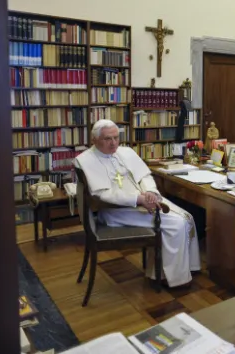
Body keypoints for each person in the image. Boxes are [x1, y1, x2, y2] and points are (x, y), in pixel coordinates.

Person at [74, 119, 201, 287]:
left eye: (116, 137)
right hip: (116, 211)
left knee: (187, 217)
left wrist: (150, 193)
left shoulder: (126, 152)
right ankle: (174, 279)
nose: (113, 143)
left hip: (143, 201)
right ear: (94, 140)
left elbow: (144, 176)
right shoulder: (84, 160)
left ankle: (186, 268)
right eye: (107, 139)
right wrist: (139, 200)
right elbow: (103, 195)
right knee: (177, 223)